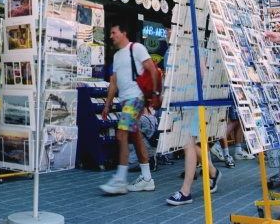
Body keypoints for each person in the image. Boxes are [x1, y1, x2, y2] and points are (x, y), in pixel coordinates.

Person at [99, 22, 161, 195]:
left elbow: (152, 70)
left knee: (121, 135)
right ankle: (147, 178)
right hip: (126, 101)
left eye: (114, 32)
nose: (111, 36)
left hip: (136, 98)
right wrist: (107, 105)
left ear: (123, 33)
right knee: (136, 137)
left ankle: (120, 179)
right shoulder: (117, 56)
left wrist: (155, 94)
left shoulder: (137, 48)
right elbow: (114, 82)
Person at [166, 50, 222, 205]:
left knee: (187, 143)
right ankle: (212, 171)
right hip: (184, 102)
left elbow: (203, 75)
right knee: (189, 143)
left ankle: (186, 191)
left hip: (192, 103)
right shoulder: (177, 48)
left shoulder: (192, 47)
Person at [211, 98, 255, 165]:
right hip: (232, 95)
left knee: (241, 117)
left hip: (237, 95)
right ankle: (218, 145)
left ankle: (238, 150)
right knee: (235, 119)